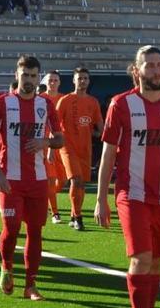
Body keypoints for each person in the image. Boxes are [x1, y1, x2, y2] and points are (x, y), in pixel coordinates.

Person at [94, 45, 160, 308]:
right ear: (137, 71)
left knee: (156, 261)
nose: (156, 70)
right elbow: (108, 154)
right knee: (141, 258)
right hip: (131, 194)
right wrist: (101, 199)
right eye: (150, 65)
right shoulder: (121, 104)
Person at [0, 55, 63, 300]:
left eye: (33, 75)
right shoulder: (1, 104)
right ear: (16, 74)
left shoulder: (46, 105)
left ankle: (30, 284)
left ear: (38, 77)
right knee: (10, 229)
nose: (29, 80)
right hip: (10, 179)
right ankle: (6, 265)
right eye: (25, 75)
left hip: (38, 180)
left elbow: (60, 139)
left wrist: (46, 141)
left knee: (35, 231)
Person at [54, 67, 103, 231]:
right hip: (67, 147)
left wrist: (97, 132)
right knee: (75, 180)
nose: (83, 81)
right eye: (80, 78)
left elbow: (100, 127)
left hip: (85, 148)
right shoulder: (65, 100)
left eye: (85, 78)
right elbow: (54, 124)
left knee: (81, 184)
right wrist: (50, 147)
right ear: (74, 80)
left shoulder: (93, 102)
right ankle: (78, 218)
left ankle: (75, 214)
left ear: (89, 81)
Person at [40, 71, 66, 223]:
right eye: (50, 80)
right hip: (46, 144)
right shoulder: (40, 99)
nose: (53, 82)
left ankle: (45, 198)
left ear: (59, 82)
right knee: (50, 179)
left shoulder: (64, 99)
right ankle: (55, 212)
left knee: (62, 180)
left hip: (61, 144)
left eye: (56, 80)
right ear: (46, 82)